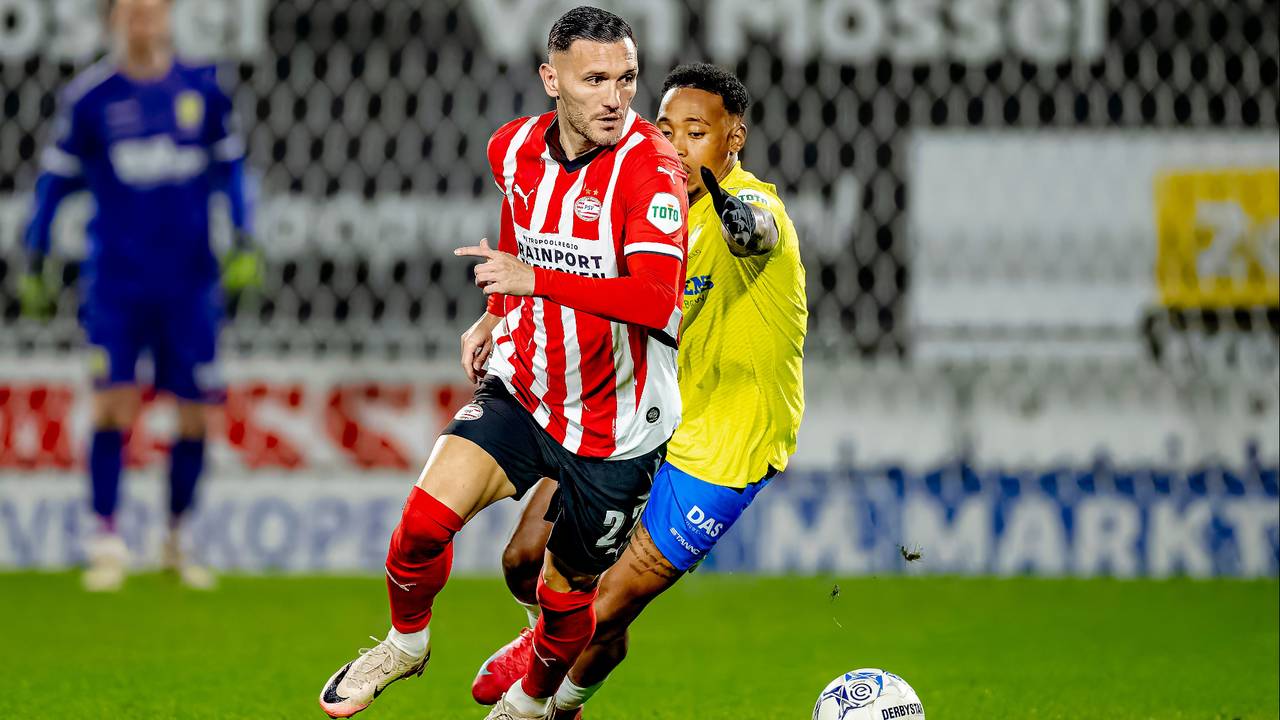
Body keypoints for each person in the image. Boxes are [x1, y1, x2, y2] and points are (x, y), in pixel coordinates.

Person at [316, 7, 688, 720]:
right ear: (552, 80)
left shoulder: (650, 173)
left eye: (628, 79)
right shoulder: (511, 149)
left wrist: (533, 282)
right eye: (595, 79)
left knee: (563, 593)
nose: (615, 97)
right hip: (528, 385)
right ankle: (404, 644)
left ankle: (526, 705)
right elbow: (525, 227)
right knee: (422, 523)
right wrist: (495, 312)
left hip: (616, 426)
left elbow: (655, 300)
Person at [470, 63, 808, 718]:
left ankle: (549, 699)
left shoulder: (757, 209)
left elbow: (758, 231)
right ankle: (560, 647)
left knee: (606, 603)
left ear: (733, 137)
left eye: (697, 132)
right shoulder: (648, 214)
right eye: (665, 130)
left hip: (725, 443)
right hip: (641, 415)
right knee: (522, 560)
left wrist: (741, 224)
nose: (678, 149)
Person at [20, 0, 260, 593]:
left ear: (168, 15)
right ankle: (105, 538)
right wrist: (35, 253)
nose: (143, 20)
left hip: (190, 281)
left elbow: (230, 171)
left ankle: (177, 538)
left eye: (152, 9)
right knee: (113, 404)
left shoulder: (201, 89)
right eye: (131, 11)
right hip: (118, 282)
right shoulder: (91, 97)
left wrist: (245, 234)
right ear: (112, 21)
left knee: (196, 411)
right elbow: (54, 183)